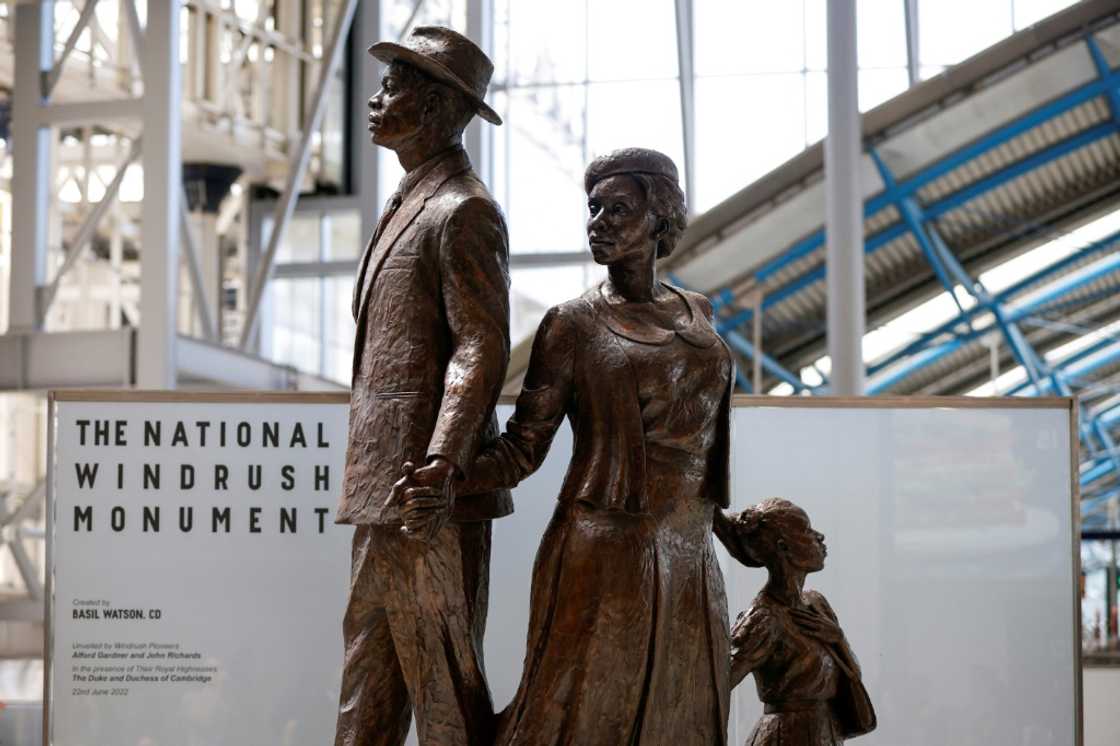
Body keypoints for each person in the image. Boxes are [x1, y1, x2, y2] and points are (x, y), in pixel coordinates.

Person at [400, 147, 739, 744]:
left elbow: (703, 443)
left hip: (689, 545)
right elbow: (522, 448)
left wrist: (733, 529)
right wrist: (447, 477)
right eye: (594, 209)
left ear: (660, 218)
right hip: (605, 550)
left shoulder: (700, 313)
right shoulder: (572, 325)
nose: (600, 222)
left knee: (683, 711)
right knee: (583, 715)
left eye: (619, 208)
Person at [334, 26, 510, 746]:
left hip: (427, 493)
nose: (376, 99)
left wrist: (441, 462)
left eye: (395, 85)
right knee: (366, 688)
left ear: (439, 108)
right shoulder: (413, 200)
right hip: (389, 490)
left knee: (443, 697)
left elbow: (481, 345)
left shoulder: (463, 209)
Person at [728, 499, 877, 745]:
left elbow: (850, 675)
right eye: (807, 531)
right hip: (786, 735)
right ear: (784, 546)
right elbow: (719, 684)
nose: (820, 537)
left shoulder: (816, 603)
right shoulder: (764, 618)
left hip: (825, 730)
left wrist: (838, 639)